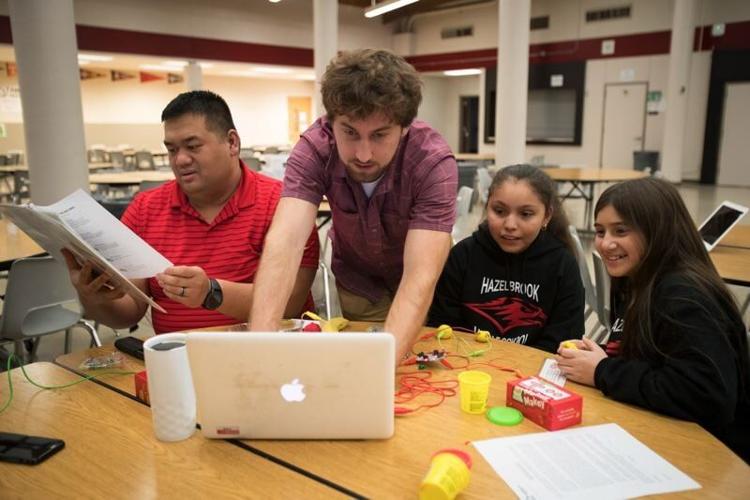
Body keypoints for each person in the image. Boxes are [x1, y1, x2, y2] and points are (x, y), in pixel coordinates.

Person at [249, 49, 458, 361]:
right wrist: (258, 351)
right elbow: (285, 244)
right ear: (330, 123)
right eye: (349, 132)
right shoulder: (314, 148)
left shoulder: (432, 162)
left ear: (404, 127)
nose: (363, 154)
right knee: (353, 361)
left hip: (416, 281)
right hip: (358, 281)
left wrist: (378, 371)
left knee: (408, 369)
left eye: (379, 135)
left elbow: (419, 278)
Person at [64, 90, 319, 334]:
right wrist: (94, 297)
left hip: (267, 355)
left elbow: (290, 304)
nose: (180, 160)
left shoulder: (286, 206)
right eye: (172, 149)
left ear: (232, 142)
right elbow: (129, 312)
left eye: (193, 146)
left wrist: (211, 293)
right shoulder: (145, 210)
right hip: (177, 358)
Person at [556, 177, 749, 463]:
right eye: (599, 231)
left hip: (709, 453)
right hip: (658, 425)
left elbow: (708, 397)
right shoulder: (634, 278)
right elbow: (647, 356)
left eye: (620, 231)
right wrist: (603, 356)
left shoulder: (684, 296)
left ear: (657, 231)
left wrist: (603, 371)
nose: (605, 243)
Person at [428, 164, 584, 352]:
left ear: (546, 216)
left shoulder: (562, 265)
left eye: (526, 214)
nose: (510, 224)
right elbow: (443, 324)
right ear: (487, 207)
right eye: (499, 211)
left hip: (532, 374)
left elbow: (564, 339)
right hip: (467, 366)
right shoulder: (462, 256)